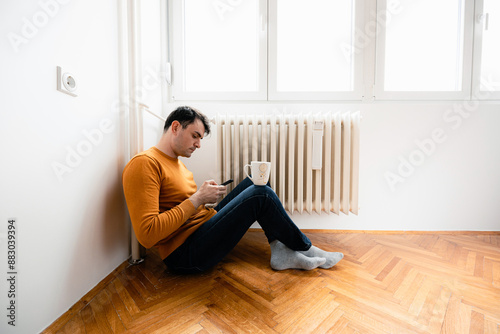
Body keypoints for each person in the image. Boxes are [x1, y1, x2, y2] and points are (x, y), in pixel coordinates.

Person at [122, 106, 343, 274]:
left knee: (257, 182)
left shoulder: (176, 162)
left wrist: (204, 199)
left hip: (200, 229)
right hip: (185, 254)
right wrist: (198, 198)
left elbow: (183, 207)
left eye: (200, 138)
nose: (198, 144)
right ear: (176, 127)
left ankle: (281, 251)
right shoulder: (145, 163)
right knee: (261, 195)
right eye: (195, 136)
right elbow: (147, 235)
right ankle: (305, 247)